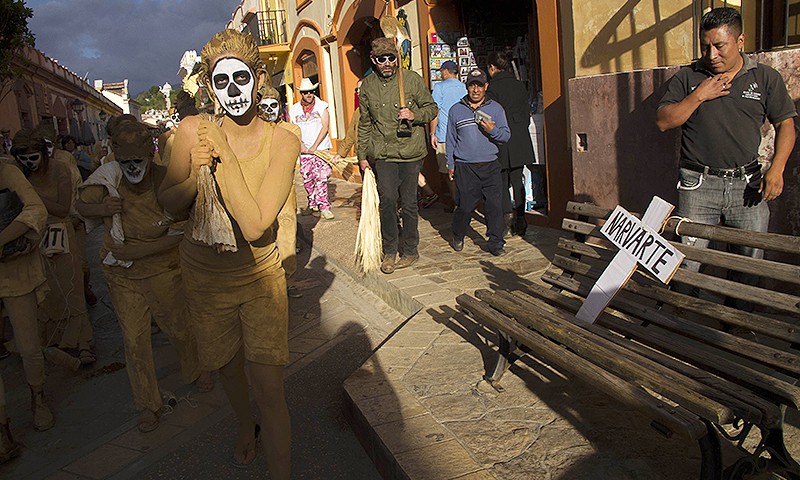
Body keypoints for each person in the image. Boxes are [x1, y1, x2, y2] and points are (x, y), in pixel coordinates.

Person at [158, 29, 298, 478]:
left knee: (269, 387)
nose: (234, 91)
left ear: (259, 78)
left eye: (242, 79)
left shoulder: (284, 140)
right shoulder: (189, 132)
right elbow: (168, 200)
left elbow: (256, 225)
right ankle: (243, 423)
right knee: (228, 370)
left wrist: (223, 159)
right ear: (209, 86)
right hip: (204, 275)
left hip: (259, 275)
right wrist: (195, 169)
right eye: (222, 82)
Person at [77, 118, 212, 433]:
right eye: (125, 162)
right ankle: (148, 405)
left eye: (137, 161)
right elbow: (80, 207)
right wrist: (102, 209)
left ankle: (196, 369)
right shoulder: (108, 179)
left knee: (179, 328)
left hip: (164, 270)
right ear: (116, 158)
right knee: (135, 341)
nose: (131, 167)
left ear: (150, 156)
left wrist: (144, 251)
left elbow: (188, 230)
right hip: (121, 274)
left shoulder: (168, 179)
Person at [656, 7, 796, 307]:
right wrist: (699, 95)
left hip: (748, 185)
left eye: (719, 45)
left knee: (748, 264)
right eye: (705, 46)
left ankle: (738, 325)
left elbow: (786, 124)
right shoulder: (689, 77)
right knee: (688, 259)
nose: (711, 54)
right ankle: (681, 320)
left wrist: (777, 168)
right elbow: (664, 121)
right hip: (697, 184)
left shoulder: (765, 78)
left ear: (740, 41)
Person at [15, 130, 95, 366]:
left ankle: (82, 342)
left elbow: (61, 208)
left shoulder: (59, 168)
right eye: (24, 159)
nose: (30, 163)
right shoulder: (19, 173)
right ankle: (52, 339)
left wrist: (30, 194)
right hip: (32, 234)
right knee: (45, 291)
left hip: (59, 230)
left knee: (70, 286)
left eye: (34, 157)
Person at [358, 37, 438, 274]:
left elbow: (431, 108)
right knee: (389, 201)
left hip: (410, 151)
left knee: (410, 202)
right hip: (383, 152)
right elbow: (364, 123)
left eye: (391, 58)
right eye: (381, 59)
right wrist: (362, 156)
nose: (387, 63)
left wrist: (415, 115)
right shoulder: (368, 86)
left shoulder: (411, 80)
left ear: (397, 58)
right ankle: (390, 250)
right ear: (374, 60)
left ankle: (411, 250)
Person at [0, 155, 55, 458]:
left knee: (28, 345)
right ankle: (3, 427)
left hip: (13, 272)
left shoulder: (6, 172)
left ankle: (38, 396)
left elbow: (35, 209)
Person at [447, 68, 511, 256]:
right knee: (466, 206)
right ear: (467, 87)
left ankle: (496, 242)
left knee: (494, 206)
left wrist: (493, 130)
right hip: (465, 167)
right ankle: (458, 233)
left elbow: (506, 135)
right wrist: (451, 165)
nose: (476, 90)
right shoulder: (456, 110)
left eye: (480, 86)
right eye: (472, 85)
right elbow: (451, 140)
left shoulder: (495, 109)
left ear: (486, 87)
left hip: (490, 165)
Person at [487, 49, 537, 237]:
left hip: (502, 140)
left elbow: (491, 116)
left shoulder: (492, 88)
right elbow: (526, 115)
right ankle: (521, 219)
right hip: (520, 139)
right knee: (518, 181)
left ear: (492, 68)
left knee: (502, 182)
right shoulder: (519, 85)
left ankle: (507, 220)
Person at [289, 78, 334, 220]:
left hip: (320, 149)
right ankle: (312, 202)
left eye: (310, 92)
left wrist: (315, 146)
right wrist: (302, 146)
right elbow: (294, 129)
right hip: (304, 151)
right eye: (305, 92)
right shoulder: (294, 109)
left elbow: (325, 127)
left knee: (321, 177)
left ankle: (324, 207)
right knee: (308, 178)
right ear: (301, 93)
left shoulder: (322, 106)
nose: (308, 94)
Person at [430, 60, 466, 209]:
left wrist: (432, 133)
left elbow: (434, 112)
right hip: (462, 135)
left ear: (445, 71)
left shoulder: (439, 87)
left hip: (444, 135)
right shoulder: (464, 87)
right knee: (461, 170)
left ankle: (457, 202)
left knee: (447, 172)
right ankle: (463, 201)